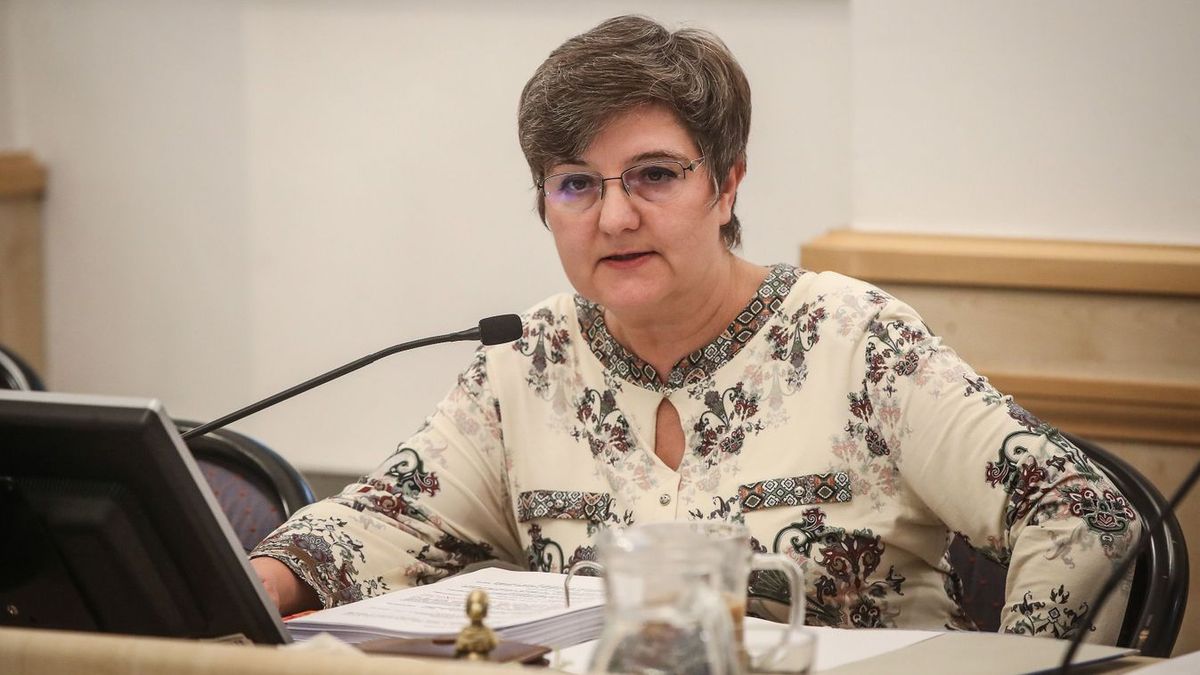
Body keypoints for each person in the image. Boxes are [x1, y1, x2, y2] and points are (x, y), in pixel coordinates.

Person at [251, 15, 1139, 642]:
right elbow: (384, 522)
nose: (614, 217)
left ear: (727, 183)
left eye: (654, 174)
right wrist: (264, 579)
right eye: (576, 184)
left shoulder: (856, 340)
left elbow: (1085, 513)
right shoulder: (526, 363)